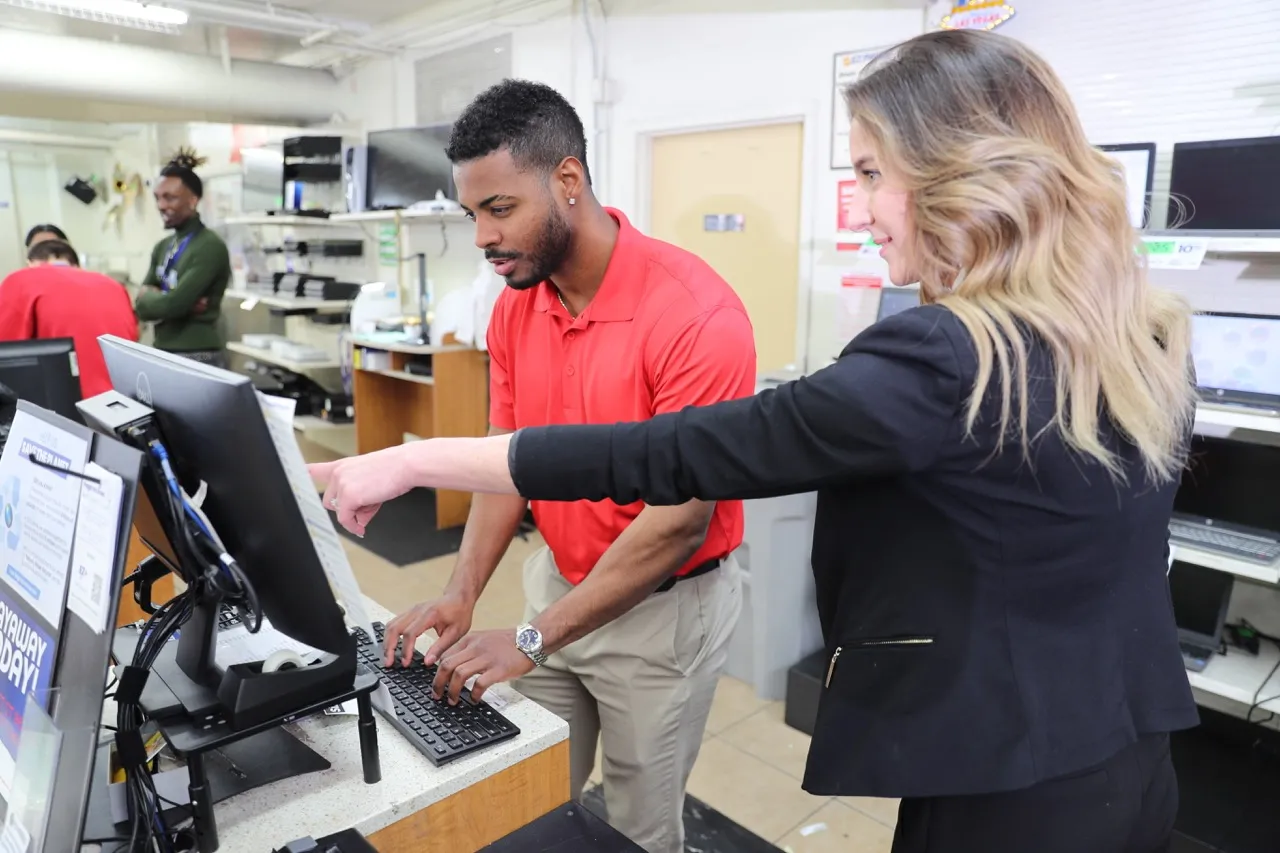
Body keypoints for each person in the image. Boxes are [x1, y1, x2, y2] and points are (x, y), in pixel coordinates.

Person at [313, 30, 1200, 853]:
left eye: (869, 173)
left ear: (956, 172)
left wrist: (412, 458)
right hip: (1117, 750)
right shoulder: (1135, 331)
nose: (859, 212)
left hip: (1011, 775)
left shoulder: (944, 353)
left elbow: (672, 453)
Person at [347, 80, 755, 853]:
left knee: (635, 829)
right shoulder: (515, 306)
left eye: (500, 209)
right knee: (533, 794)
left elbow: (678, 523)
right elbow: (509, 465)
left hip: (662, 614)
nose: (482, 238)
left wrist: (530, 640)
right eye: (473, 215)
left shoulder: (697, 317)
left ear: (568, 181)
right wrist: (461, 593)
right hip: (558, 584)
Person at [0, 239, 139, 397]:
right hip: (125, 401)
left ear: (30, 263)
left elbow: (5, 351)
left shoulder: (21, 280)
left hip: (65, 404)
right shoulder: (114, 286)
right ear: (76, 265)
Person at [136, 148, 230, 367]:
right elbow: (140, 305)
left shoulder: (209, 246)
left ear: (193, 200)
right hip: (162, 351)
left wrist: (165, 299)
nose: (161, 206)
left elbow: (173, 305)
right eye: (158, 198)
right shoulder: (162, 247)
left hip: (198, 355)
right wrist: (171, 300)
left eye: (170, 198)